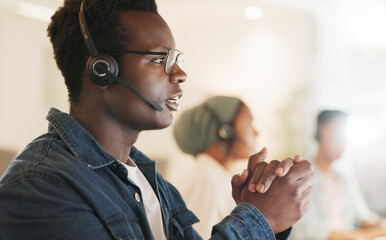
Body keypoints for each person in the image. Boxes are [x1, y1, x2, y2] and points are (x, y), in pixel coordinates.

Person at [0, 0, 314, 239]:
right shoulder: (40, 187)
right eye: (159, 58)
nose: (180, 74)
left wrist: (267, 218)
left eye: (175, 59)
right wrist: (259, 218)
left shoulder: (150, 179)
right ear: (101, 70)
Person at [291, 110, 386, 240]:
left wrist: (384, 225)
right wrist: (365, 235)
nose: (343, 142)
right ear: (321, 132)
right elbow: (310, 230)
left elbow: (361, 216)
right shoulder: (302, 177)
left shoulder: (343, 179)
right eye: (337, 135)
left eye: (345, 136)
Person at [172, 95, 265, 238]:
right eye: (248, 122)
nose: (256, 132)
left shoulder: (217, 175)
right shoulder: (205, 181)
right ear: (225, 130)